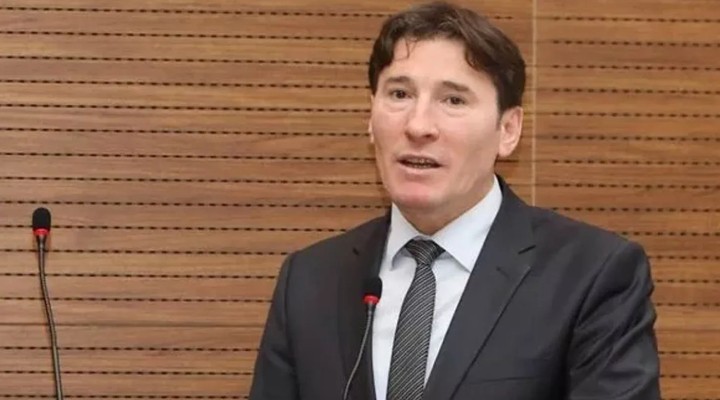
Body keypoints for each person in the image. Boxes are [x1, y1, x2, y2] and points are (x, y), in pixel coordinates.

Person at [248, 1, 661, 399]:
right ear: (370, 117)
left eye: (454, 100)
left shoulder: (592, 275)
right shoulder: (309, 280)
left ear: (508, 130)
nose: (418, 126)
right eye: (399, 94)